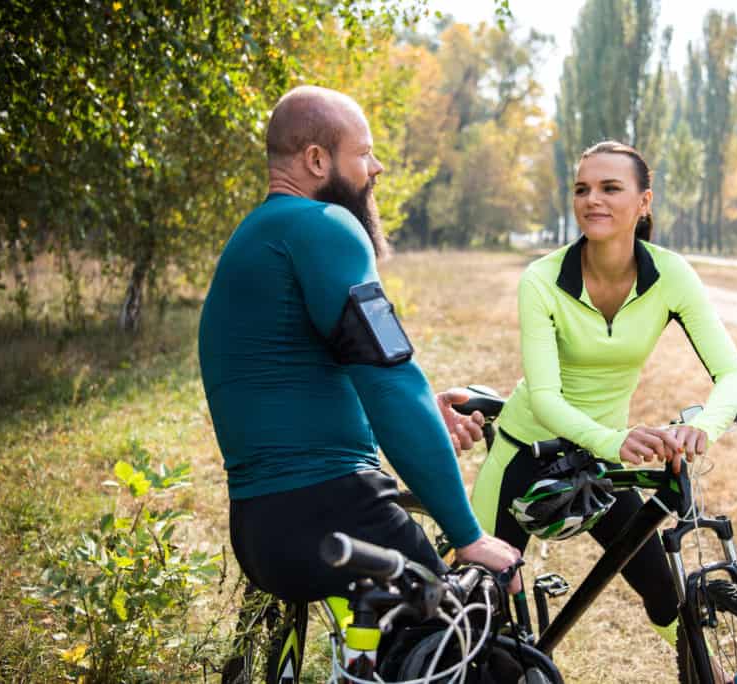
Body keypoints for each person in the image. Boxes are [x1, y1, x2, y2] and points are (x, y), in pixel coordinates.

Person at [198, 86, 521, 606]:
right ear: (317, 160)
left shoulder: (255, 236)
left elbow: (296, 387)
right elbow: (389, 379)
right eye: (364, 152)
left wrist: (422, 410)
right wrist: (469, 536)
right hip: (335, 515)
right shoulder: (324, 226)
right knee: (473, 640)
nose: (377, 168)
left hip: (259, 527)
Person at [470, 140, 737, 654]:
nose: (592, 200)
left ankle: (704, 666)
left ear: (644, 202)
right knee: (481, 614)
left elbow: (733, 374)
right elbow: (547, 399)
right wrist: (616, 441)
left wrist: (703, 428)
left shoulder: (670, 274)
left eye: (610, 188)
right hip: (526, 455)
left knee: (667, 596)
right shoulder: (541, 279)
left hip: (601, 458)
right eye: (582, 189)